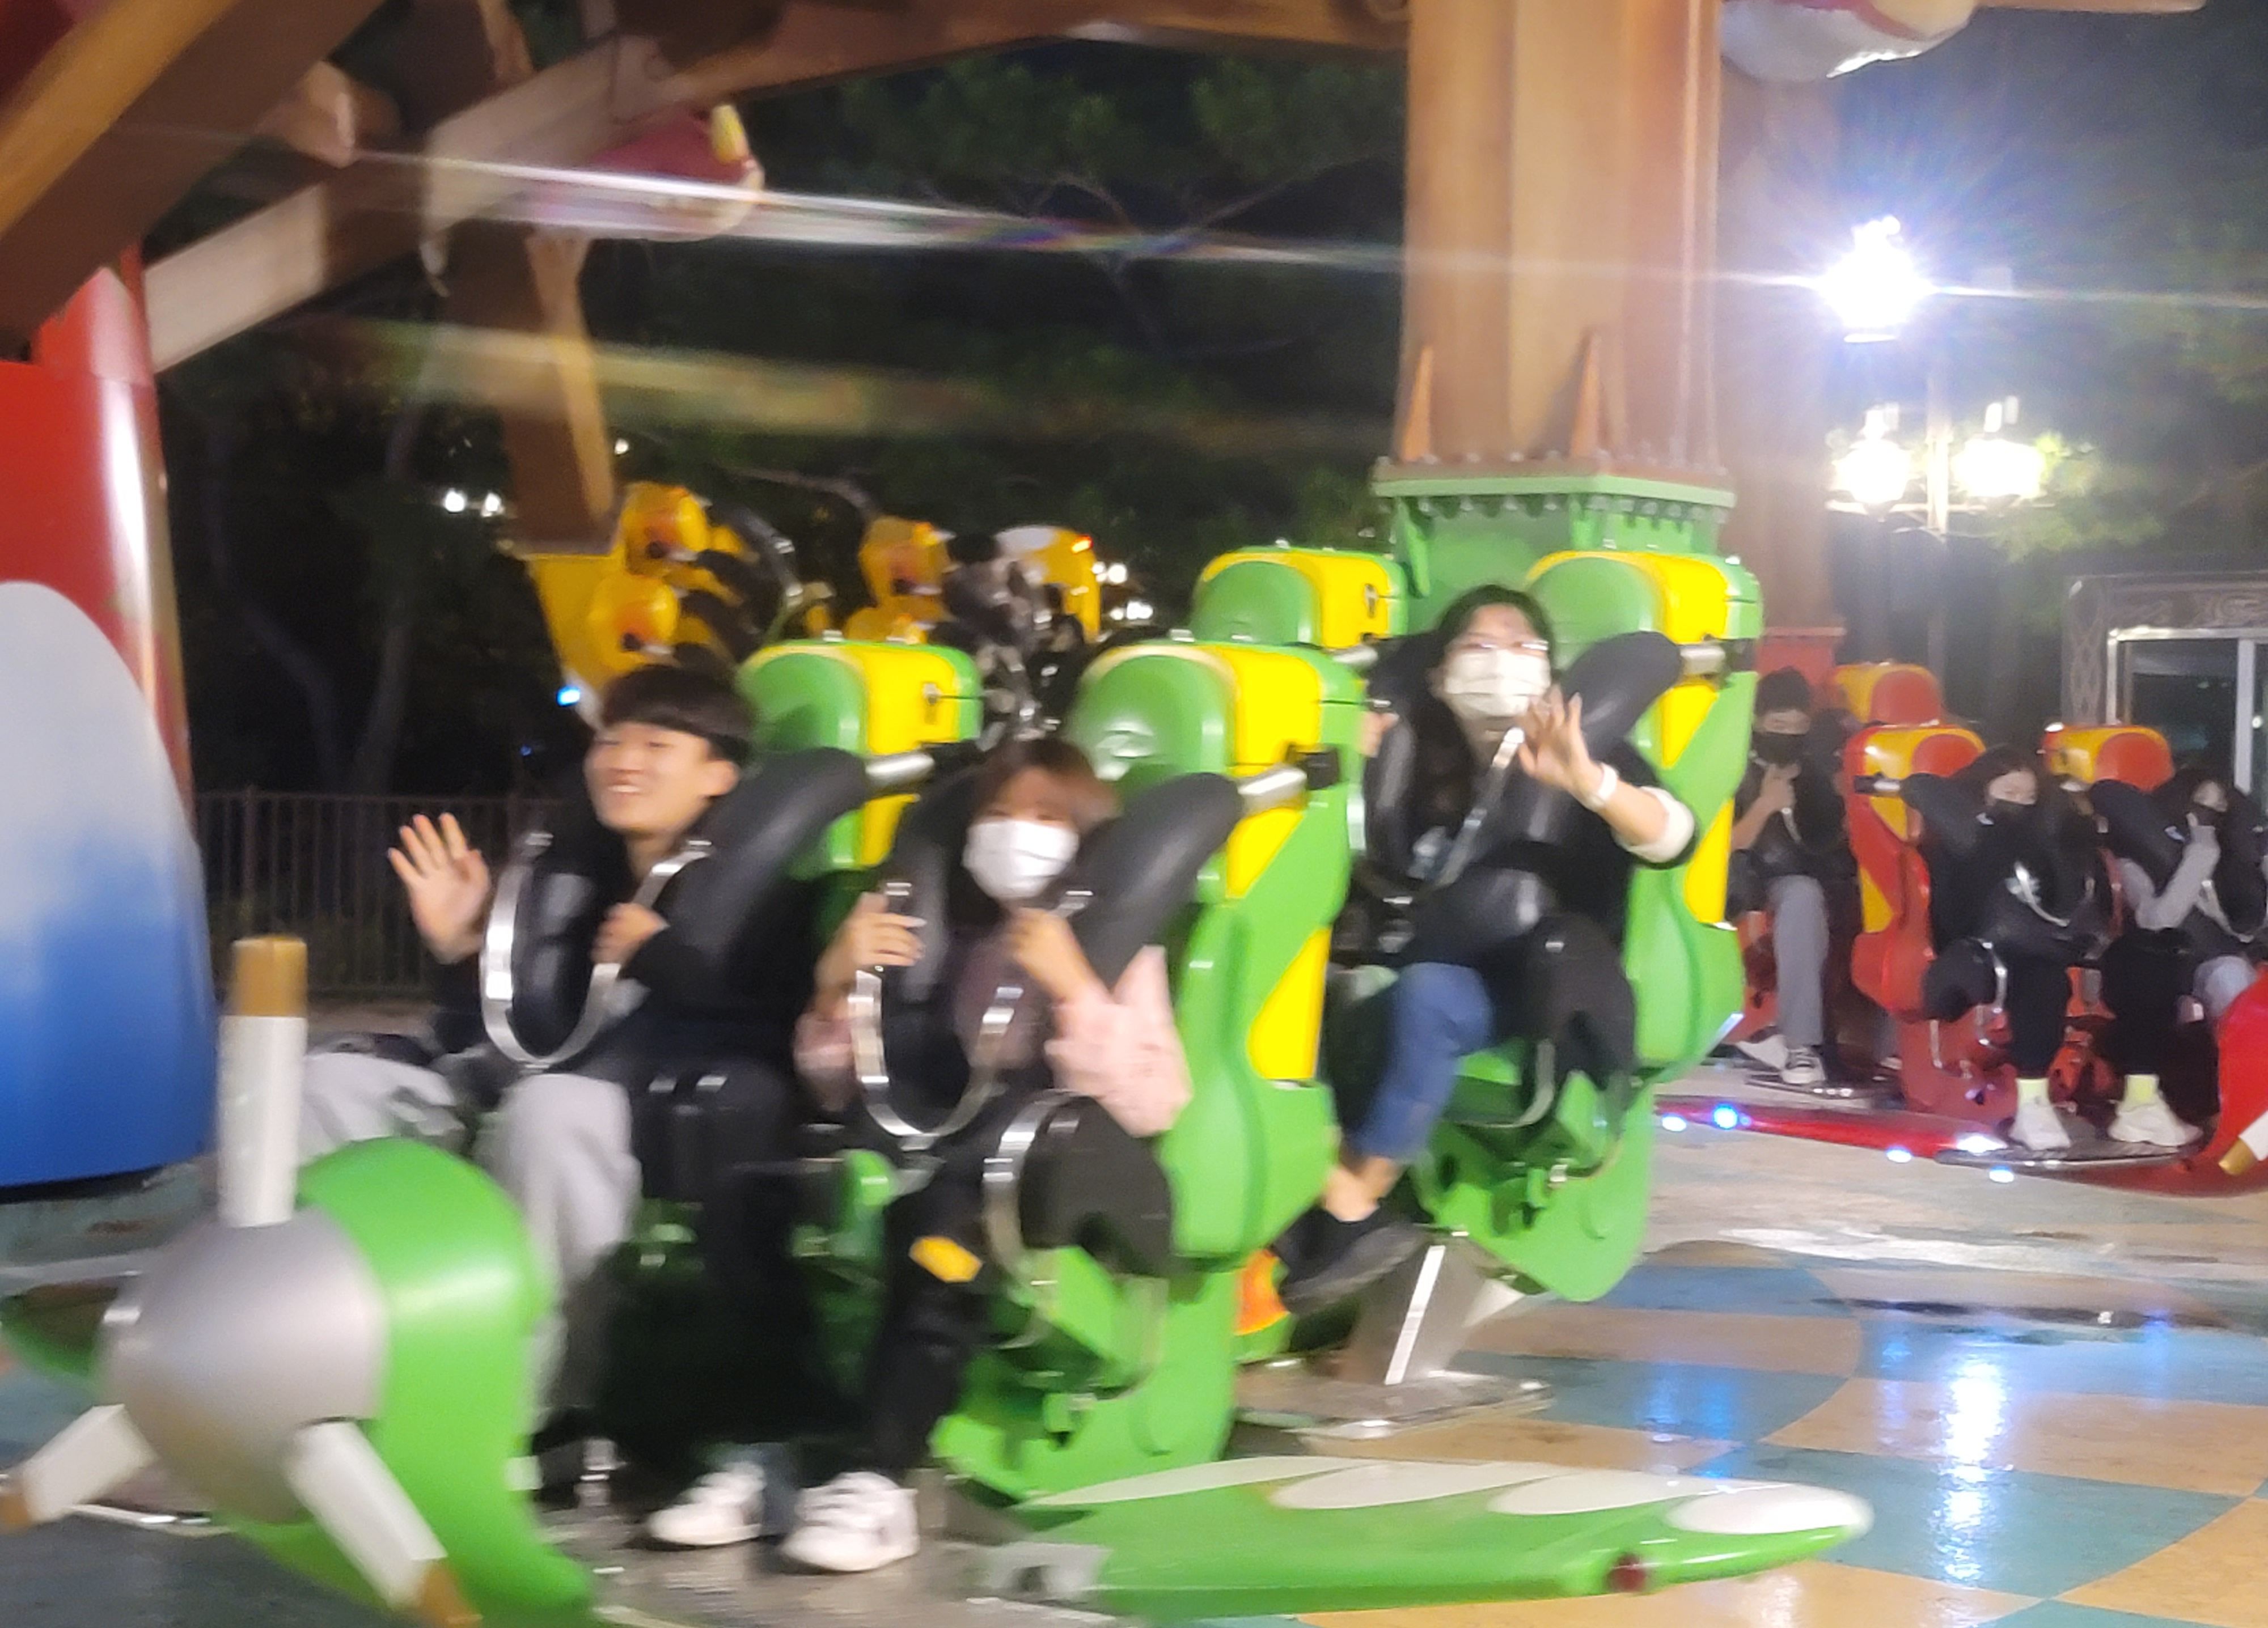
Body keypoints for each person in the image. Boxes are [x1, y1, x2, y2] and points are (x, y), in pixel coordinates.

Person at [655, 737, 1189, 1571]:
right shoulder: (932, 935)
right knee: (749, 1203)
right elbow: (834, 1082)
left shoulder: (1114, 947)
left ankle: (881, 1479)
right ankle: (781, 1448)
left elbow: (1152, 1100)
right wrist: (837, 981)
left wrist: (1077, 987)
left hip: (1034, 1170)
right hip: (908, 1142)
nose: (1016, 831)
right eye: (999, 813)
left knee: (936, 1227)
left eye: (1045, 816)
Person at [298, 665, 815, 1435]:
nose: (623, 761)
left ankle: (536, 1404)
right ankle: (321, 1351)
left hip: (643, 1107)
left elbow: (772, 1033)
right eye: (611, 742)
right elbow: (494, 1030)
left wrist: (666, 959)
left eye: (656, 745)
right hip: (510, 1085)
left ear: (719, 775)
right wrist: (464, 950)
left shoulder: (772, 899)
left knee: (553, 1110)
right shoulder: (573, 881)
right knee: (322, 1085)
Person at [1275, 586, 1696, 1315]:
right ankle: (1295, 1175)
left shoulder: (1587, 754)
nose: (1502, 660)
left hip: (1531, 980)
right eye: (1479, 644)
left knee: (1429, 999)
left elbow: (1670, 835)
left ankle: (1357, 1201)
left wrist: (1590, 783)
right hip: (1407, 952)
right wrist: (1346, 763)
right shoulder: (1409, 766)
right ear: (1439, 677)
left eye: (1524, 645)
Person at [1903, 748, 2117, 1153]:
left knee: (2117, 965)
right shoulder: (1960, 841)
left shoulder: (2049, 848)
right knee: (2039, 975)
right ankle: (2033, 1104)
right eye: (2009, 793)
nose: (2019, 804)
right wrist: (1996, 843)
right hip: (1966, 958)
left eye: (2028, 796)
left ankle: (2131, 1095)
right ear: (1982, 793)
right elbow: (1953, 919)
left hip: (2041, 951)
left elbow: (2087, 908)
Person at [2094, 768, 2262, 1143]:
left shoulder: (2233, 864)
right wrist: (2200, 854)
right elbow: (2157, 919)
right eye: (2201, 805)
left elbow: (2244, 926)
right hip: (2161, 957)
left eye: (2219, 808)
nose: (2209, 816)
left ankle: (2246, 1104)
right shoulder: (2138, 855)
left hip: (2216, 958)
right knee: (2204, 980)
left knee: (2235, 982)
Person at [1727, 668, 1854, 1088]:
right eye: (1778, 725)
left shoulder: (1814, 773)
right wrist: (1765, 805)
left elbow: (1826, 840)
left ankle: (1820, 1041)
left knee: (1810, 895)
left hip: (1797, 877)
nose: (1788, 735)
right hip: (1739, 879)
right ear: (1757, 721)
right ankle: (1790, 1042)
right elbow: (1722, 845)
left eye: (1797, 727)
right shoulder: (1731, 767)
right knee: (1800, 894)